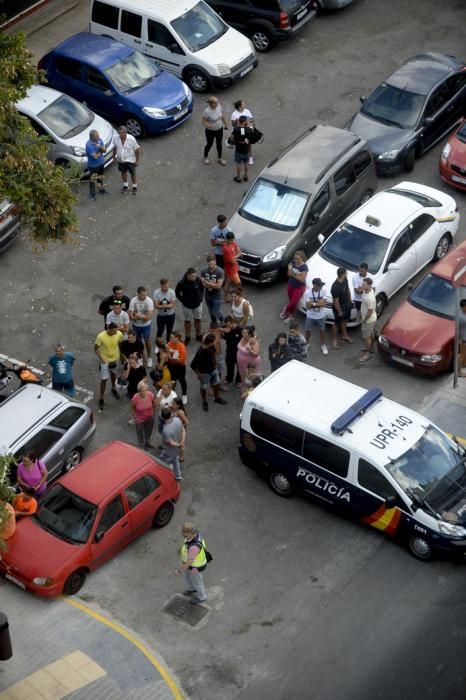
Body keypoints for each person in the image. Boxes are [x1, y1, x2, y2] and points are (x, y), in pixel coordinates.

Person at [190, 333, 227, 412]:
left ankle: (217, 398)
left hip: (213, 370)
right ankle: (204, 401)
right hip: (204, 373)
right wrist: (199, 374)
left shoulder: (211, 346)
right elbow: (193, 365)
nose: (215, 343)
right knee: (203, 388)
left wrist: (215, 363)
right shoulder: (200, 352)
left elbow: (213, 354)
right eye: (213, 341)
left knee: (216, 384)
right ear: (210, 342)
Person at [174, 522, 208, 604]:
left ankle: (202, 597)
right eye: (182, 531)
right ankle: (192, 589)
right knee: (188, 577)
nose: (182, 534)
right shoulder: (195, 535)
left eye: (185, 533)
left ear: (191, 533)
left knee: (197, 582)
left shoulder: (194, 547)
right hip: (190, 566)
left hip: (195, 567)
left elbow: (190, 561)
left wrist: (179, 571)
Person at [94, 322, 123, 410]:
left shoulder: (119, 334)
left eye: (116, 331)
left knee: (114, 375)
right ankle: (101, 398)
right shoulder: (101, 336)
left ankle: (113, 389)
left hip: (114, 359)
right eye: (114, 331)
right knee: (104, 379)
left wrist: (121, 357)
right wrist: (102, 360)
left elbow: (120, 345)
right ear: (109, 329)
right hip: (105, 361)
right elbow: (95, 349)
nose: (115, 333)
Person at [175, 268, 204, 344]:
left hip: (197, 305)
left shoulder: (198, 280)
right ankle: (188, 336)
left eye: (195, 275)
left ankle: (198, 335)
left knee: (198, 319)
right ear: (188, 275)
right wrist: (183, 300)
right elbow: (177, 292)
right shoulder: (182, 283)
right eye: (192, 276)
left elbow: (202, 289)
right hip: (187, 306)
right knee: (187, 321)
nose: (194, 277)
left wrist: (200, 298)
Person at [129, 287, 154, 367]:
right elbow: (131, 317)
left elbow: (149, 317)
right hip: (136, 325)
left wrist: (138, 315)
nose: (144, 296)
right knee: (138, 342)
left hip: (146, 325)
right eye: (142, 295)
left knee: (147, 340)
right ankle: (140, 357)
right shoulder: (133, 301)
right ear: (138, 294)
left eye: (145, 294)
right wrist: (143, 316)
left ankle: (149, 356)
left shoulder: (149, 301)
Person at [281, 250, 308, 323]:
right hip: (291, 284)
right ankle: (291, 315)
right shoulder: (293, 262)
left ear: (302, 258)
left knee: (293, 303)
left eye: (297, 259)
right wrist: (294, 274)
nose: (295, 260)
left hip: (299, 288)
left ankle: (286, 310)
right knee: (291, 301)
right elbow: (289, 275)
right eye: (295, 258)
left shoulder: (304, 267)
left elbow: (302, 280)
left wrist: (292, 272)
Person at [303, 278, 329, 355]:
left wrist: (313, 303)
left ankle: (323, 345)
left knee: (322, 330)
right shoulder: (307, 293)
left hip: (321, 315)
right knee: (308, 330)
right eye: (320, 285)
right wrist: (318, 303)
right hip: (310, 316)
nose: (321, 287)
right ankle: (307, 343)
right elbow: (308, 306)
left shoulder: (323, 291)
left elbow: (324, 304)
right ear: (314, 285)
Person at [113, 125, 140, 194]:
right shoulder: (116, 138)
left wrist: (137, 161)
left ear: (125, 133)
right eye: (119, 133)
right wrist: (114, 157)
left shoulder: (131, 139)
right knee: (123, 173)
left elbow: (137, 150)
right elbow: (115, 148)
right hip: (121, 160)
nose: (120, 135)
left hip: (130, 160)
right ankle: (126, 186)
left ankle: (134, 187)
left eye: (121, 133)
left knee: (132, 173)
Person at [331, 267, 353, 349]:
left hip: (347, 305)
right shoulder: (335, 287)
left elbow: (348, 290)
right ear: (343, 275)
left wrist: (350, 301)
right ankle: (334, 340)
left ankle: (344, 335)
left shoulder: (345, 280)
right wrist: (339, 311)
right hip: (340, 308)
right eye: (346, 273)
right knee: (336, 324)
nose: (347, 274)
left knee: (345, 320)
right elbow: (335, 301)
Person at [160, 407, 185, 481]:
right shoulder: (178, 420)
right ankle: (178, 476)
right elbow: (183, 430)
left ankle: (164, 476)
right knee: (176, 460)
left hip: (169, 450)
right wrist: (182, 442)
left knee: (163, 462)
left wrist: (179, 444)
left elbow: (171, 443)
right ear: (171, 414)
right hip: (177, 450)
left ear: (162, 417)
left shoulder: (165, 430)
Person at [202, 96, 228, 166]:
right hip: (210, 131)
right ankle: (205, 157)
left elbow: (222, 116)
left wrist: (225, 124)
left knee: (219, 144)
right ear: (211, 104)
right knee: (209, 144)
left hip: (219, 129)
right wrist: (209, 125)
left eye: (217, 102)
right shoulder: (207, 111)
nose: (217, 104)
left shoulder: (219, 106)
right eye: (215, 103)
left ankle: (220, 158)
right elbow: (203, 122)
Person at [131, 380, 157, 450]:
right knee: (140, 434)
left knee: (149, 431)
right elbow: (132, 408)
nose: (144, 392)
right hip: (140, 419)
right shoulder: (135, 397)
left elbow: (154, 405)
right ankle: (141, 446)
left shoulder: (150, 394)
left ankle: (147, 443)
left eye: (145, 390)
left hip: (150, 418)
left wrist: (153, 414)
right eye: (142, 390)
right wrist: (136, 418)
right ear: (139, 391)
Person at [201, 254, 225, 324]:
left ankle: (222, 320)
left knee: (215, 312)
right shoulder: (204, 271)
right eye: (209, 264)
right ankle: (214, 324)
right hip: (208, 296)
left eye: (212, 264)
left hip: (217, 296)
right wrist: (211, 284)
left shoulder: (220, 271)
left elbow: (218, 286)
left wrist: (206, 283)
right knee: (210, 311)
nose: (210, 266)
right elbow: (202, 283)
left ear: (215, 262)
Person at [85, 129, 108, 200]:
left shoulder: (99, 140)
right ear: (92, 137)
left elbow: (105, 150)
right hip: (93, 166)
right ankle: (92, 194)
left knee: (100, 177)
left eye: (98, 135)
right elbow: (95, 157)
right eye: (97, 136)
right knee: (93, 180)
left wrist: (100, 148)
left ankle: (101, 189)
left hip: (101, 163)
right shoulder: (88, 145)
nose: (99, 137)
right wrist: (101, 151)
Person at [236, 326, 261, 392]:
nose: (242, 334)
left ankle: (250, 390)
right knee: (242, 374)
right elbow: (255, 334)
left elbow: (256, 354)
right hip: (241, 363)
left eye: (245, 333)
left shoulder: (253, 342)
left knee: (250, 377)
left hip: (250, 364)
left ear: (249, 334)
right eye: (242, 332)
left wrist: (249, 349)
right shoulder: (243, 338)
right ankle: (244, 386)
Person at [231, 99, 255, 165]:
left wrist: (249, 123)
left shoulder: (247, 111)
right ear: (239, 107)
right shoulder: (234, 114)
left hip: (247, 130)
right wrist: (236, 122)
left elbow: (251, 119)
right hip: (239, 132)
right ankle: (239, 156)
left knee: (249, 143)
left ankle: (250, 157)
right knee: (238, 143)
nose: (245, 104)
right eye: (243, 104)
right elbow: (233, 124)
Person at [359, 278, 377, 362]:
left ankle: (368, 354)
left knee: (367, 337)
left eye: (364, 284)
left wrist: (364, 320)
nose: (362, 286)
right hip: (369, 319)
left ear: (369, 285)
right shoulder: (367, 291)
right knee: (371, 334)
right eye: (362, 284)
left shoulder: (370, 298)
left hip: (368, 320)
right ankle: (371, 348)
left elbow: (370, 312)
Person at [167, 331, 188, 404]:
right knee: (173, 381)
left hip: (180, 368)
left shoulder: (181, 346)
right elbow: (167, 355)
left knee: (182, 380)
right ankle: (173, 396)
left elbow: (182, 360)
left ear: (177, 338)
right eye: (170, 337)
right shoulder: (169, 344)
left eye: (171, 337)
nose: (170, 339)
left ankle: (184, 395)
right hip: (171, 367)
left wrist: (171, 360)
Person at [221, 316, 242, 385]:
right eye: (226, 325)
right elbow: (217, 329)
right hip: (229, 351)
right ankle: (229, 378)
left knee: (239, 367)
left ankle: (238, 380)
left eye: (229, 325)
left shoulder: (240, 329)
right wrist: (222, 331)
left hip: (239, 352)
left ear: (232, 322)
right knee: (229, 366)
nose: (227, 326)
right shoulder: (226, 328)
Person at [232, 115, 253, 183]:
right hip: (246, 149)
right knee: (246, 163)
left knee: (238, 163)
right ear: (244, 122)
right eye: (246, 120)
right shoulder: (248, 129)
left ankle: (238, 177)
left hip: (238, 149)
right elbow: (251, 138)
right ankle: (246, 176)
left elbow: (231, 138)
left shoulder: (236, 129)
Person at [223, 232, 241, 302]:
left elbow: (239, 251)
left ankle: (225, 297)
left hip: (233, 267)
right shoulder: (226, 249)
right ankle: (238, 296)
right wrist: (237, 256)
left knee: (228, 282)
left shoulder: (232, 243)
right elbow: (232, 261)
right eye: (231, 240)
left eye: (233, 240)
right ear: (227, 239)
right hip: (231, 268)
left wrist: (235, 257)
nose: (233, 241)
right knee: (238, 283)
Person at [460, 299, 466, 377]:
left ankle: (464, 365)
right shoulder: (460, 317)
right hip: (464, 339)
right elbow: (457, 329)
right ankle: (459, 372)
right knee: (462, 355)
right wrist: (459, 340)